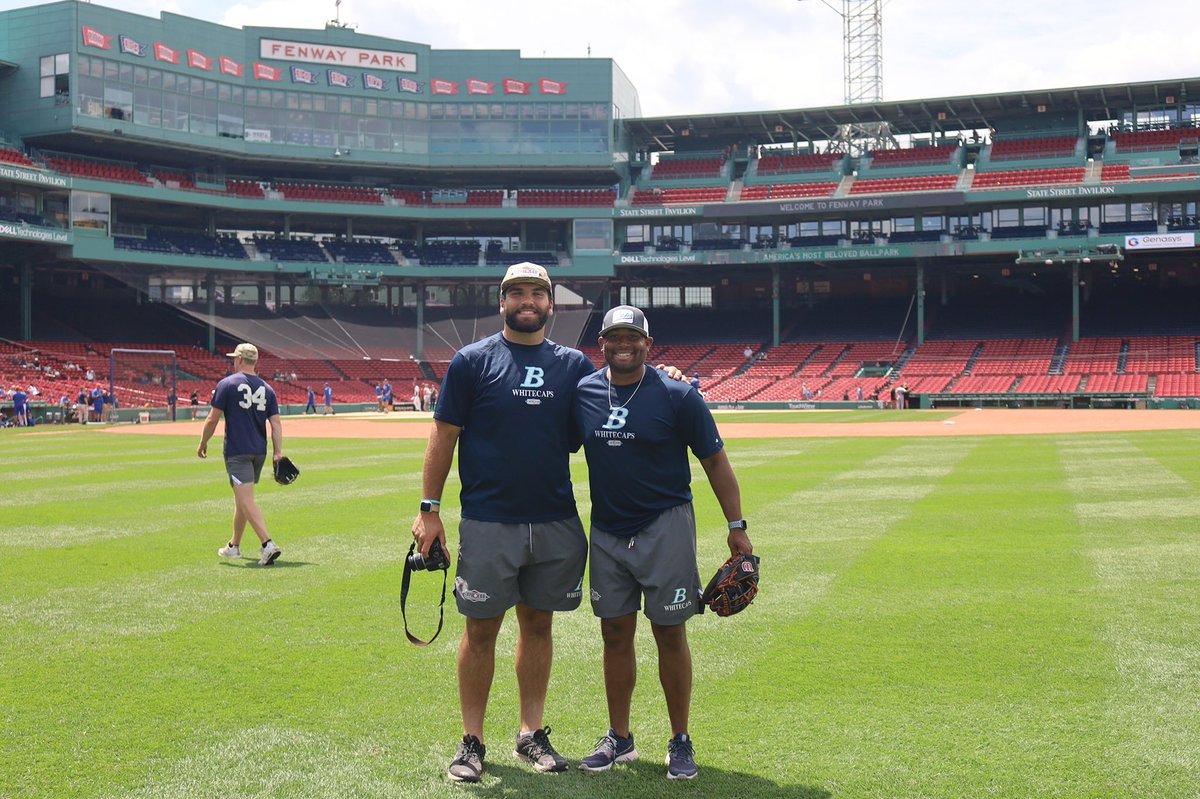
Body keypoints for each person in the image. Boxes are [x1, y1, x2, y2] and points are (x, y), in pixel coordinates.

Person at [410, 262, 597, 783]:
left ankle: (530, 733)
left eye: (538, 293)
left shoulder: (574, 365)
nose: (528, 301)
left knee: (539, 625)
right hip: (489, 521)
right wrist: (429, 510)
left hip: (556, 519)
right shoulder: (473, 361)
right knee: (481, 630)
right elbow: (443, 435)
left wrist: (665, 374)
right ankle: (472, 740)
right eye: (517, 293)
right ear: (502, 302)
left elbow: (621, 400)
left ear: (550, 304)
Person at [570, 305, 752, 781]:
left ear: (649, 345)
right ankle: (620, 738)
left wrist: (736, 524)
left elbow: (716, 463)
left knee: (670, 632)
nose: (623, 344)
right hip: (608, 531)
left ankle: (680, 739)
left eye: (633, 337)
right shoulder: (585, 392)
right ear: (602, 344)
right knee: (614, 634)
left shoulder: (677, 395)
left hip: (664, 526)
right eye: (614, 337)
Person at [197, 343, 283, 567]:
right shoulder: (268, 388)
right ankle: (233, 546)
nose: (233, 361)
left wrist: (203, 442)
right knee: (241, 500)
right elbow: (275, 424)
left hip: (237, 451)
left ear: (240, 360)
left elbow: (212, 419)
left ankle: (267, 544)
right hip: (259, 451)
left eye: (235, 358)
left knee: (246, 500)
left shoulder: (227, 384)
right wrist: (278, 452)